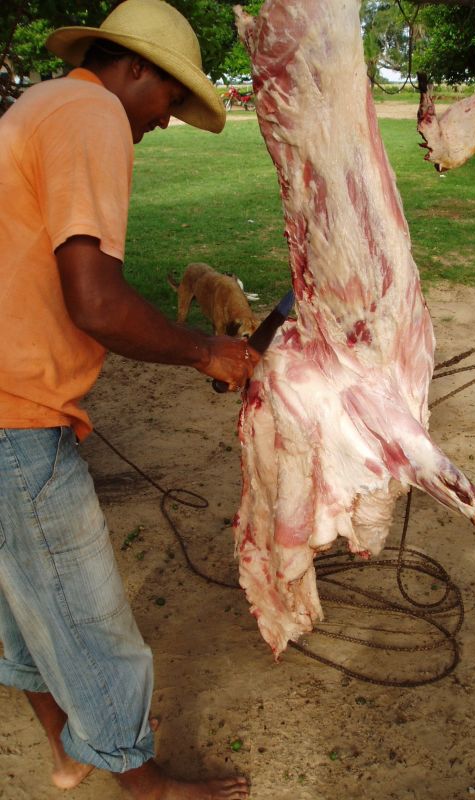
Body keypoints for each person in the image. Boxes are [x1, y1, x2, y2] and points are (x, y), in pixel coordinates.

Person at [0, 0, 258, 797]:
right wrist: (206, 350)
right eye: (170, 99)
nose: (169, 120)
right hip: (14, 415)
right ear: (134, 68)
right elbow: (98, 302)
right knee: (88, 618)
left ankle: (67, 753)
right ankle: (145, 786)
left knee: (21, 608)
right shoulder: (92, 114)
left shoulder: (41, 100)